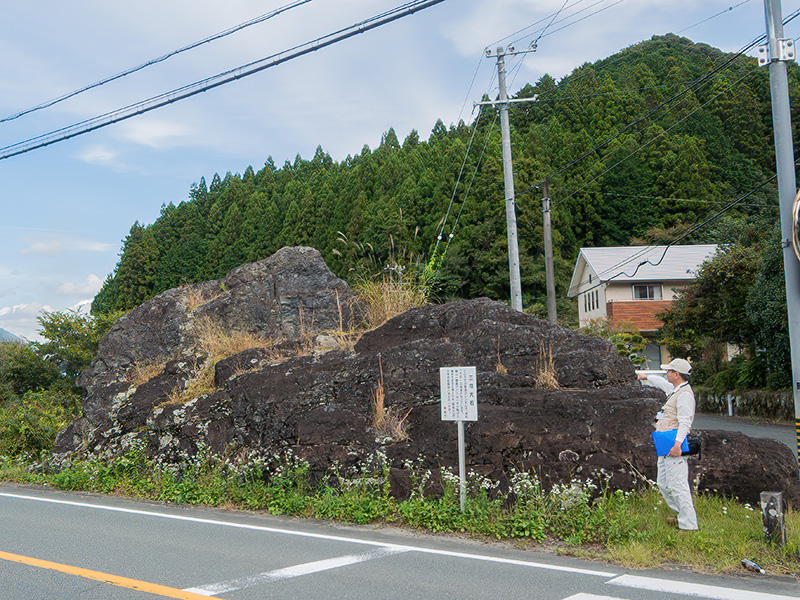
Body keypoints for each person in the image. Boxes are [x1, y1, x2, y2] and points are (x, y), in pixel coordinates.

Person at [638, 358, 699, 531]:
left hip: (674, 443)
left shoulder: (685, 395)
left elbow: (685, 422)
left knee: (678, 485)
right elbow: (662, 384)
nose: (667, 373)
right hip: (664, 443)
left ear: (677, 374)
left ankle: (689, 525)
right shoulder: (675, 391)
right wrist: (645, 377)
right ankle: (680, 515)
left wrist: (678, 444)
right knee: (664, 483)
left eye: (669, 371)